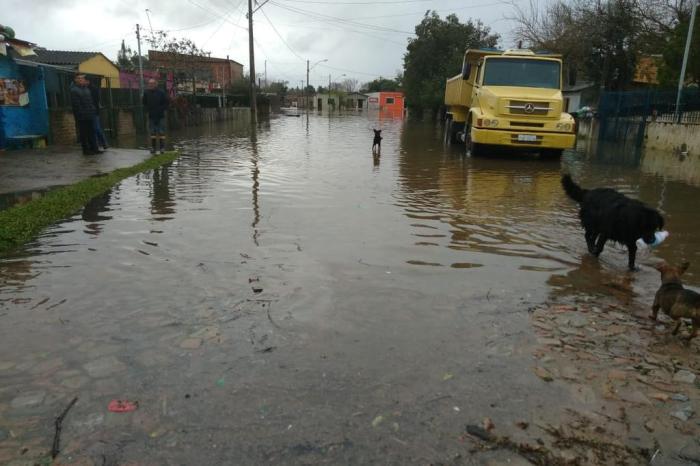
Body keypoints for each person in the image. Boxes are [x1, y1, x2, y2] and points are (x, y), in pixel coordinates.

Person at [70, 74, 100, 155]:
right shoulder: (74, 90)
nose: (81, 80)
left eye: (82, 78)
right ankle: (86, 150)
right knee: (84, 134)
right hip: (82, 116)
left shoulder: (87, 89)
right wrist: (81, 114)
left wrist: (93, 110)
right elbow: (76, 105)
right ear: (75, 80)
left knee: (92, 132)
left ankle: (94, 148)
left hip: (90, 114)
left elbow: (91, 101)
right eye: (79, 78)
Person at [142, 79, 169, 154]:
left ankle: (162, 148)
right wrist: (147, 110)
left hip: (160, 115)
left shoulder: (161, 92)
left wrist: (161, 109)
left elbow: (166, 103)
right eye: (149, 84)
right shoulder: (146, 92)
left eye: (152, 83)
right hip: (151, 115)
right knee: (152, 132)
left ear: (156, 84)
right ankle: (153, 148)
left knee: (161, 132)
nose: (150, 85)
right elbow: (144, 103)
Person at [89, 80, 108, 150]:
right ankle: (96, 144)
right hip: (89, 111)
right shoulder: (85, 89)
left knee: (96, 128)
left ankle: (103, 143)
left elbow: (96, 101)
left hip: (94, 111)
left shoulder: (93, 89)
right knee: (93, 129)